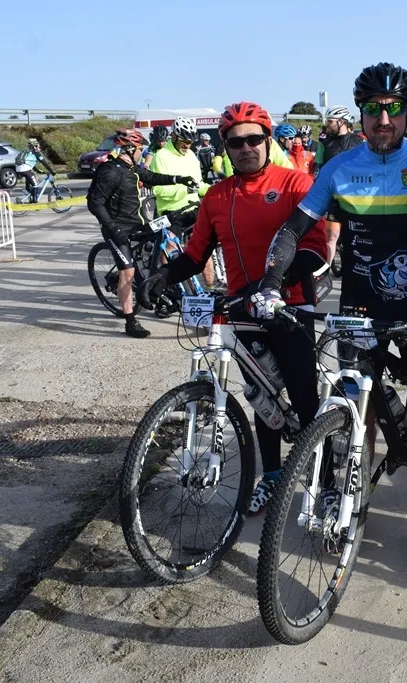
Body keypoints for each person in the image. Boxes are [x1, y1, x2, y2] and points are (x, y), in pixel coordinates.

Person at [252, 62, 407, 563]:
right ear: (361, 114)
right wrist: (270, 284)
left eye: (394, 109)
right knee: (357, 417)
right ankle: (351, 503)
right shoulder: (340, 168)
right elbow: (292, 231)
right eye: (373, 109)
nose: (383, 119)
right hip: (359, 307)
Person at [142, 102, 329, 514]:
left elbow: (316, 249)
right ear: (224, 147)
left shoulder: (295, 183)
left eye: (253, 139)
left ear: (267, 140)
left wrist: (274, 284)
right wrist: (162, 277)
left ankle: (327, 481)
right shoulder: (217, 196)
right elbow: (195, 255)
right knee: (262, 399)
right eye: (235, 142)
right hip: (242, 310)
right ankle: (272, 477)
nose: (245, 148)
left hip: (291, 307)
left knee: (304, 398)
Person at [86, 128, 197, 338]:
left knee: (164, 232)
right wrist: (113, 229)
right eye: (140, 149)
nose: (142, 152)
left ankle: (155, 285)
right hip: (116, 228)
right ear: (129, 149)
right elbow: (95, 203)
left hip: (137, 223)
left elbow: (152, 176)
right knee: (127, 271)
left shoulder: (132, 168)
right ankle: (130, 321)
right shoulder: (110, 171)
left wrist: (179, 179)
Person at [149, 117, 211, 297]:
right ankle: (166, 287)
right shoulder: (161, 156)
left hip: (192, 208)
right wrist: (185, 189)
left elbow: (199, 184)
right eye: (184, 141)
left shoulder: (191, 155)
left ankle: (210, 289)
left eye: (190, 142)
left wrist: (213, 190)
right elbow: (158, 190)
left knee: (205, 249)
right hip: (171, 211)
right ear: (175, 136)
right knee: (170, 250)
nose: (187, 146)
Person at [311, 104, 364, 266]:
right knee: (331, 236)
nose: (327, 125)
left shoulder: (359, 142)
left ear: (341, 122)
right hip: (333, 198)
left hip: (356, 198)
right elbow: (317, 167)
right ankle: (326, 269)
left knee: (357, 237)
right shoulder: (324, 143)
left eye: (330, 121)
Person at [14, 139, 57, 203]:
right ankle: (35, 201)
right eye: (39, 147)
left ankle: (30, 198)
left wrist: (40, 171)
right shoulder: (36, 153)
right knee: (35, 185)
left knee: (30, 183)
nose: (40, 149)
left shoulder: (28, 153)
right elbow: (45, 163)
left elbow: (30, 165)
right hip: (25, 170)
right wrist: (52, 172)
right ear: (34, 147)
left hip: (19, 169)